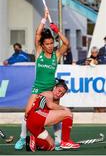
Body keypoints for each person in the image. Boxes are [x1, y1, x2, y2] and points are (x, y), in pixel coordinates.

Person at [15, 9, 69, 150]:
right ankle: (22, 139)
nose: (51, 46)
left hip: (51, 89)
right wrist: (43, 19)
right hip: (37, 88)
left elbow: (66, 44)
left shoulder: (56, 55)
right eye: (48, 44)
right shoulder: (39, 53)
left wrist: (57, 31)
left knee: (57, 114)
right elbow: (38, 34)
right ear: (42, 45)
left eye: (52, 43)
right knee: (27, 112)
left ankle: (58, 142)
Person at [26, 79, 80, 151]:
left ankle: (33, 141)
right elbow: (50, 105)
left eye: (62, 94)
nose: (59, 94)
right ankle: (66, 141)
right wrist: (65, 108)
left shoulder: (56, 102)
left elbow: (55, 120)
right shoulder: (49, 93)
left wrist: (57, 141)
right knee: (68, 114)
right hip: (36, 115)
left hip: (34, 125)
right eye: (59, 91)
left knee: (51, 146)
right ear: (54, 88)